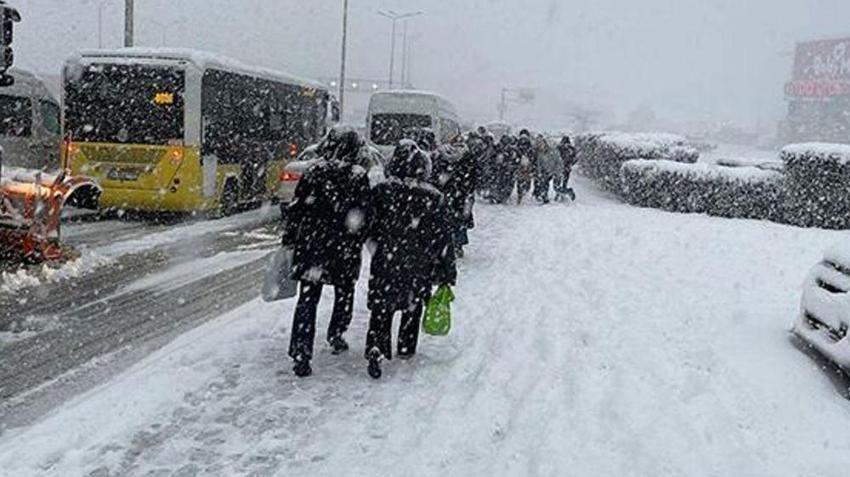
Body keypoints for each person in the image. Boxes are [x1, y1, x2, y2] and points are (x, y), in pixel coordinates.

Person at [283, 130, 372, 378]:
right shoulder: (357, 176)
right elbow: (365, 214)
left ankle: (301, 351)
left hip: (312, 246)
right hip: (343, 248)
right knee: (344, 292)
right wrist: (357, 236)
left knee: (308, 298)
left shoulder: (313, 172)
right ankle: (336, 332)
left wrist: (290, 238)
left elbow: (297, 209)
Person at [365, 140, 457, 379]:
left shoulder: (381, 192)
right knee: (411, 306)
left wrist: (377, 244)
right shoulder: (433, 197)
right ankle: (405, 347)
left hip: (385, 259)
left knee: (381, 308)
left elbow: (368, 225)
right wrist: (448, 271)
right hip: (418, 263)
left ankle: (377, 346)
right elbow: (443, 238)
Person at [533, 135, 560, 204]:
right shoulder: (540, 153)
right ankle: (545, 198)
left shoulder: (552, 151)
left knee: (556, 187)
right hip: (546, 172)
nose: (540, 146)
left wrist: (557, 171)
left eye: (541, 144)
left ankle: (568, 192)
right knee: (544, 184)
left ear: (544, 143)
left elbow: (558, 161)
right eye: (538, 144)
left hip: (554, 171)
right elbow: (539, 164)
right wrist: (539, 172)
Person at [515, 130, 537, 205]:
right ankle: (520, 195)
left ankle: (523, 192)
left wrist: (531, 161)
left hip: (528, 165)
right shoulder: (518, 144)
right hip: (521, 165)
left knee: (526, 180)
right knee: (520, 181)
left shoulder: (529, 145)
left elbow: (533, 155)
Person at [556, 136, 578, 202]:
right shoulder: (571, 149)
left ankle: (560, 194)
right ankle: (564, 193)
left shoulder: (559, 147)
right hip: (566, 168)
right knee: (563, 183)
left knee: (558, 183)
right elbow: (575, 159)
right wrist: (570, 164)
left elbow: (575, 159)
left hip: (562, 168)